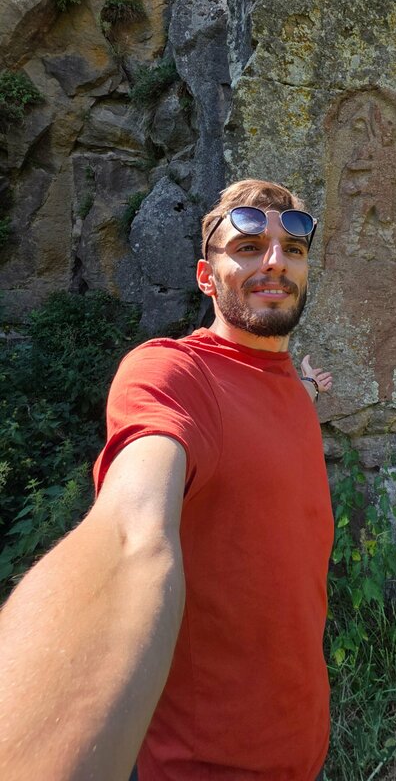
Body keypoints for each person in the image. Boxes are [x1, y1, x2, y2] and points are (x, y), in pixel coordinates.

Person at [0, 179, 334, 781]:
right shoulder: (175, 372)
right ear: (207, 277)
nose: (276, 262)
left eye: (295, 250)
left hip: (302, 752)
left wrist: (307, 387)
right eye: (249, 247)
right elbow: (132, 536)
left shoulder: (288, 391)